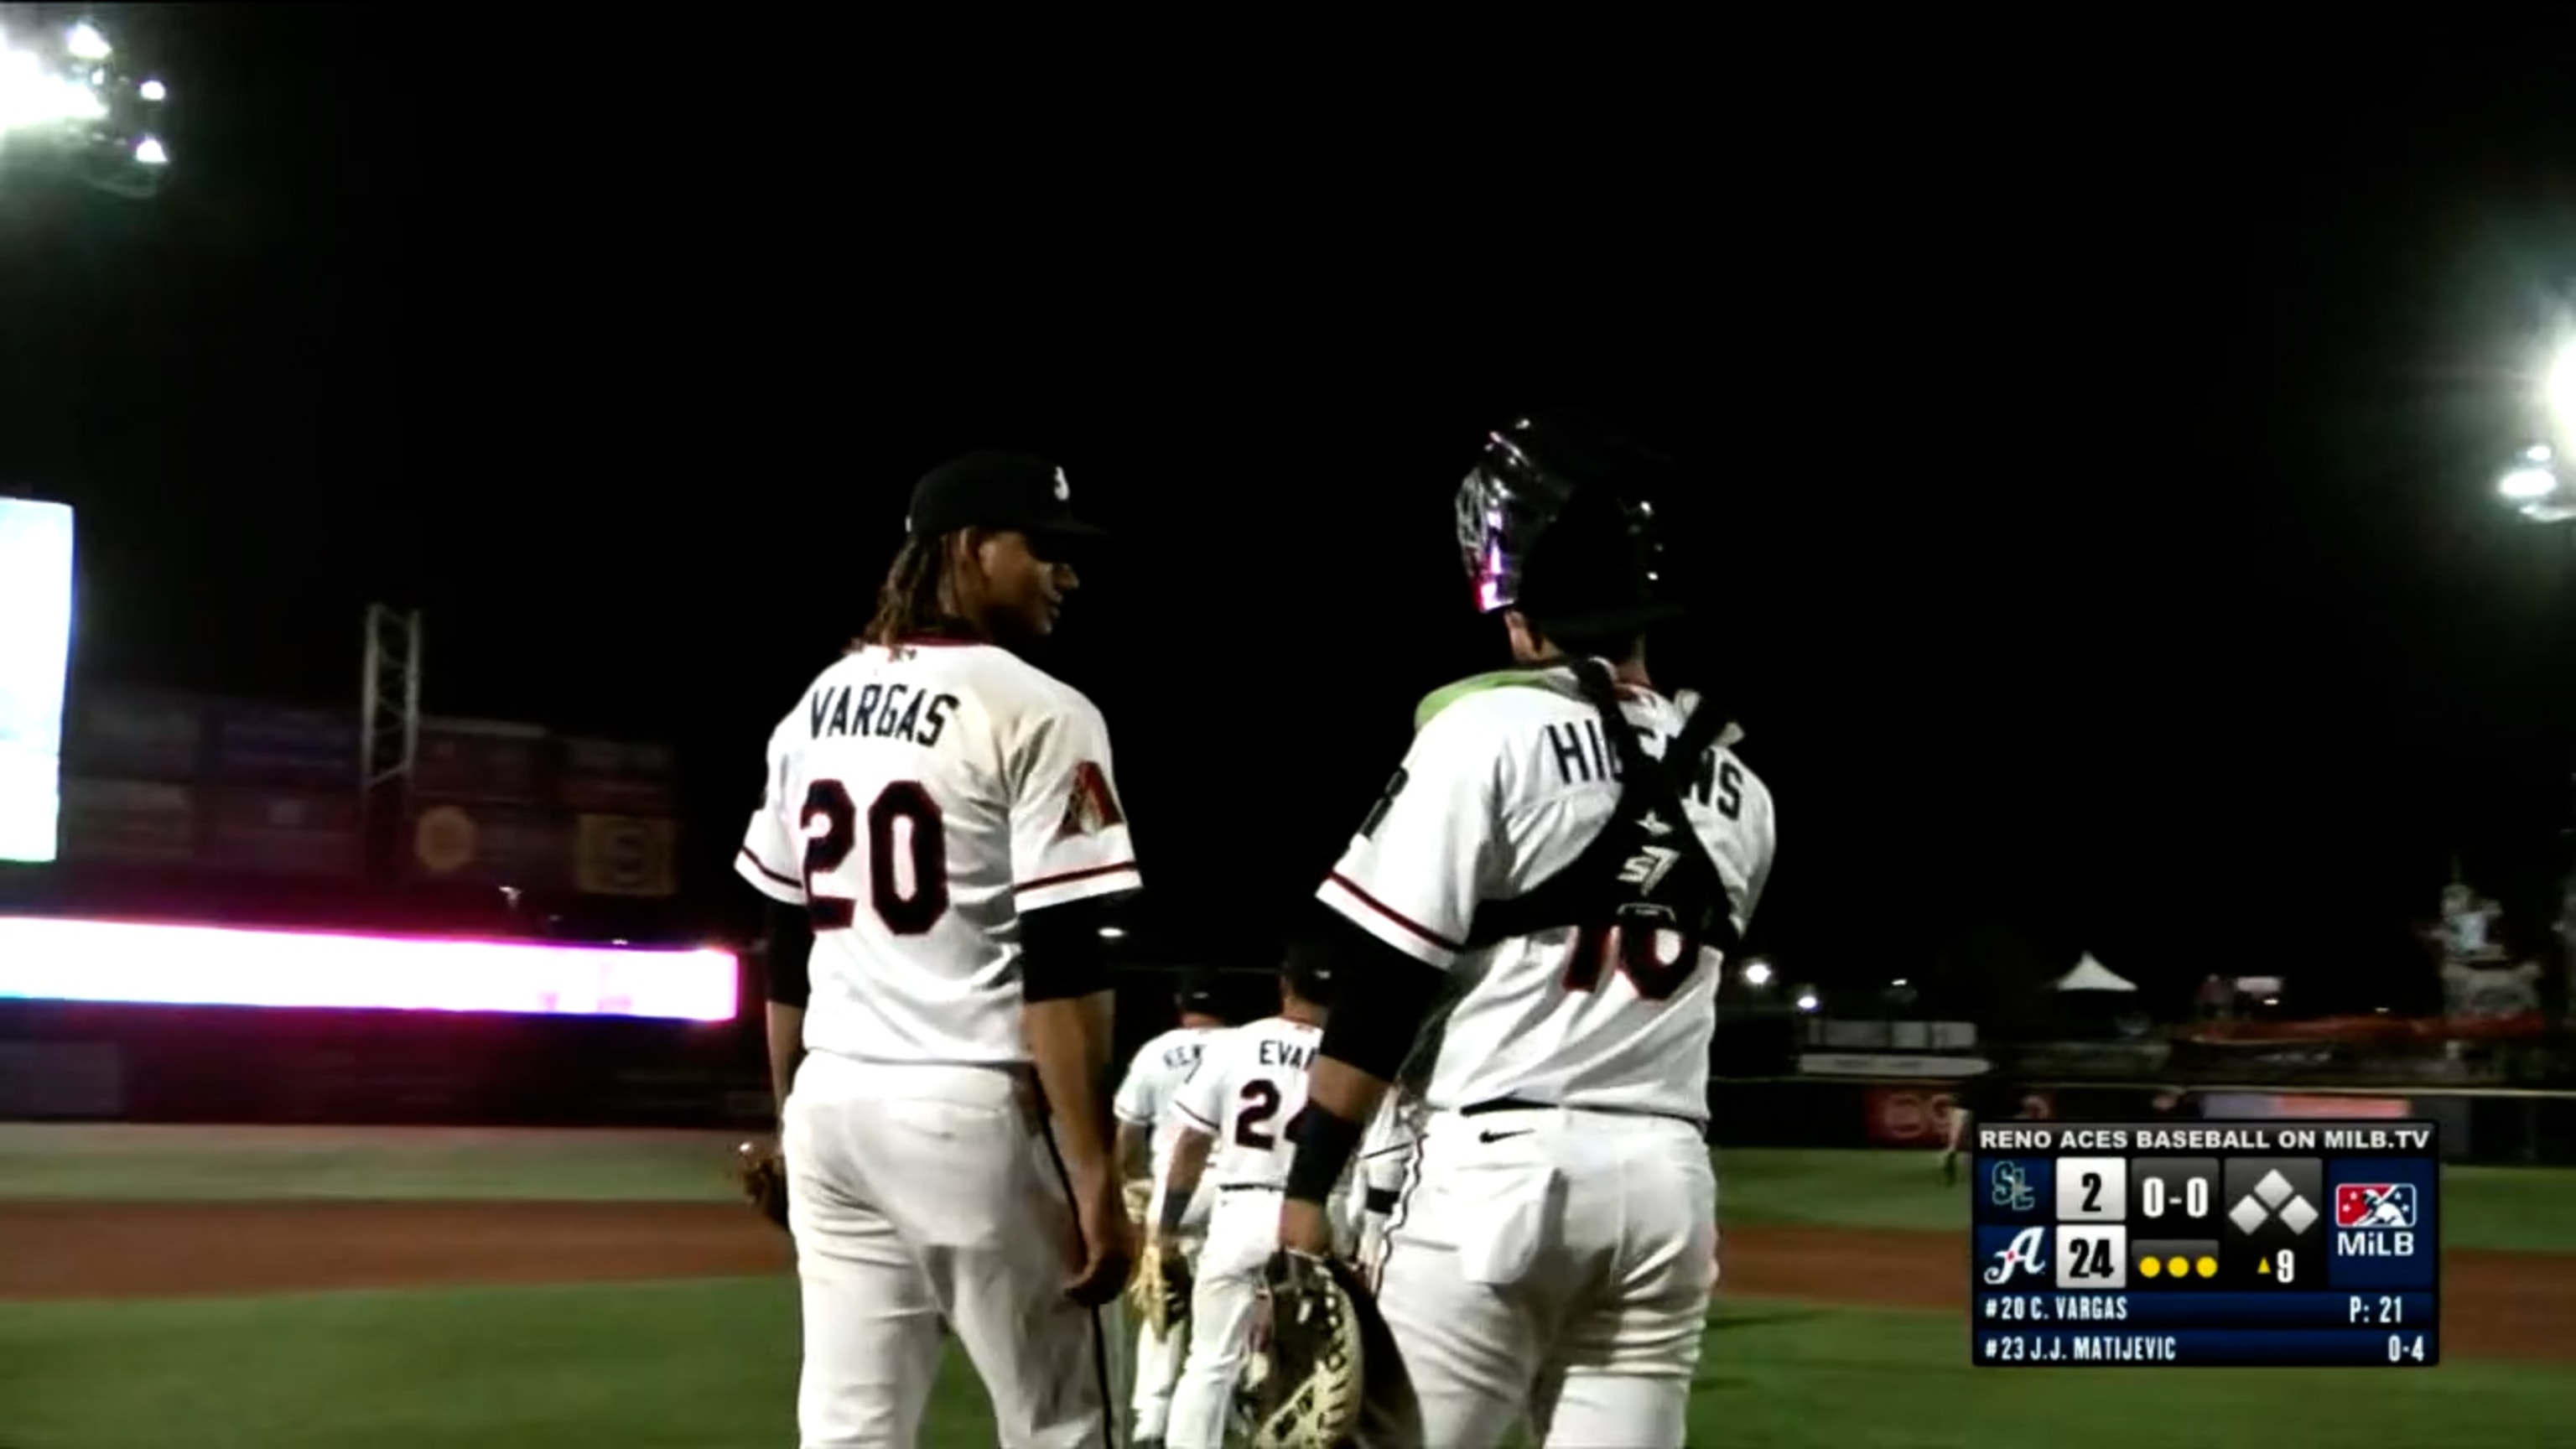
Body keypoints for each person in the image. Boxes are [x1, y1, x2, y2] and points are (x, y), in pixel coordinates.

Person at [1272, 410, 1779, 1447]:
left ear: (1520, 598)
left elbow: (1380, 989)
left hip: (1498, 1173)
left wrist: (1308, 1188)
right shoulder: (1744, 789)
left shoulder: (1482, 735)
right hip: (1668, 1181)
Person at [736, 449, 1140, 1449]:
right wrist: (1094, 1172)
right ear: (969, 550)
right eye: (1043, 549)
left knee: (849, 1430)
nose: (1065, 574)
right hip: (971, 1101)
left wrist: (790, 1122)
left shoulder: (814, 706)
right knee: (1063, 1424)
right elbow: (1062, 963)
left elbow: (787, 948)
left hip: (836, 1103)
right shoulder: (1043, 710)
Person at [1151, 955, 1337, 1449]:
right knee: (1309, 1370)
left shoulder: (1240, 1043)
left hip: (1240, 1210)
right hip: (1311, 1216)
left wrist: (1167, 1231)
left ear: (1284, 986)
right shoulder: (1343, 1060)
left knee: (1209, 1363)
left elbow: (1191, 1143)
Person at [1110, 971, 1230, 1447]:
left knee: (1164, 1308)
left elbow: (1126, 1137)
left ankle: (1152, 1418)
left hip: (1174, 1190)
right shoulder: (1245, 1043)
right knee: (1228, 1307)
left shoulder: (1155, 1051)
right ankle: (1235, 1411)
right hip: (1235, 1188)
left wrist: (1136, 1188)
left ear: (1180, 1005)